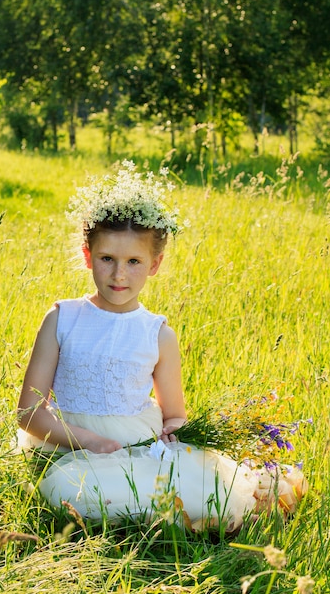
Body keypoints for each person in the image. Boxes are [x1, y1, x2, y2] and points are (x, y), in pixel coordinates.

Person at [16, 160, 306, 532]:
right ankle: (162, 516)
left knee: (209, 490)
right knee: (66, 491)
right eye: (107, 259)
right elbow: (28, 412)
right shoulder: (62, 318)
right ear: (88, 256)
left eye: (134, 261)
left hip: (138, 447)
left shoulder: (157, 334)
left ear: (155, 264)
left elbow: (175, 413)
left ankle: (178, 512)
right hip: (69, 444)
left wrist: (172, 429)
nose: (119, 274)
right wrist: (88, 441)